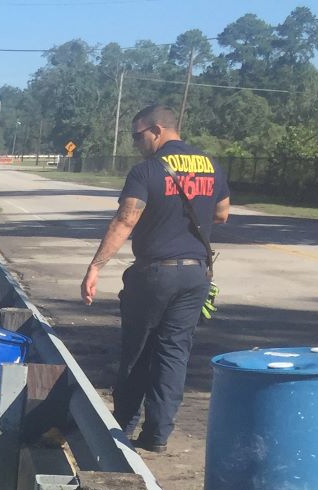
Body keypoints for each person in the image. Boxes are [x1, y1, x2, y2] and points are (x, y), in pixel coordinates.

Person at [79, 104, 230, 452]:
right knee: (174, 353)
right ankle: (158, 435)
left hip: (155, 274)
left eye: (138, 136)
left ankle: (124, 428)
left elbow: (126, 220)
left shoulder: (147, 171)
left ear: (157, 130)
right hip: (196, 273)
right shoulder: (211, 166)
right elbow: (222, 214)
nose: (136, 144)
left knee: (138, 350)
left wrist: (96, 265)